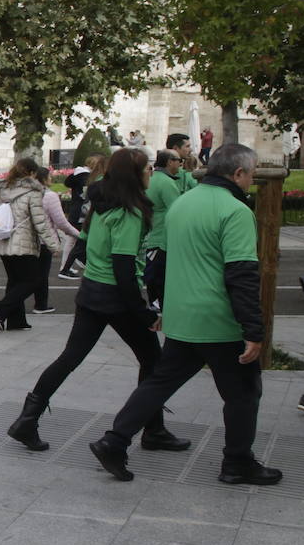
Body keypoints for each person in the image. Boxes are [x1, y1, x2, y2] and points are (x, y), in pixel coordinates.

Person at [87, 144, 281, 486]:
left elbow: (162, 261)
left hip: (181, 316)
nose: (251, 180)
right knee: (243, 394)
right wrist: (254, 328)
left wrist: (163, 306)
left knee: (159, 383)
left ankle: (113, 441)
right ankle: (237, 462)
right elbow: (242, 274)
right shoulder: (235, 211)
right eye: (250, 173)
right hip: (219, 321)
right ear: (237, 174)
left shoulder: (181, 205)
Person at [7, 148, 186, 453]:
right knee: (153, 361)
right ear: (134, 175)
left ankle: (27, 419)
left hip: (92, 290)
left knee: (70, 358)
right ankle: (152, 429)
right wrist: (143, 313)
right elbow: (124, 268)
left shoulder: (102, 204)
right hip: (115, 295)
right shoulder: (128, 213)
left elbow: (88, 245)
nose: (150, 174)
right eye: (147, 169)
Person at [0, 158, 60, 331]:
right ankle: (0, 308)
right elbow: (40, 222)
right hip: (23, 242)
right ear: (32, 173)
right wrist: (54, 245)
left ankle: (17, 321)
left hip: (3, 240)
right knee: (34, 280)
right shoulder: (33, 192)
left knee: (15, 281)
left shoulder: (3, 189)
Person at [33, 165, 78, 315]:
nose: (51, 178)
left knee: (26, 276)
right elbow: (60, 222)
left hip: (28, 239)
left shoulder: (28, 193)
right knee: (41, 275)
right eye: (49, 176)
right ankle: (40, 304)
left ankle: (30, 304)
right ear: (44, 178)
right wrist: (78, 234)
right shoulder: (49, 195)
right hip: (44, 240)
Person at [142, 149, 184, 309]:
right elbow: (177, 211)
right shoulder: (167, 183)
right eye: (178, 160)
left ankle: (154, 302)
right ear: (169, 162)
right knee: (159, 275)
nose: (180, 163)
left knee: (153, 275)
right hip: (161, 236)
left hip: (151, 233)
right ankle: (158, 303)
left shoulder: (153, 179)